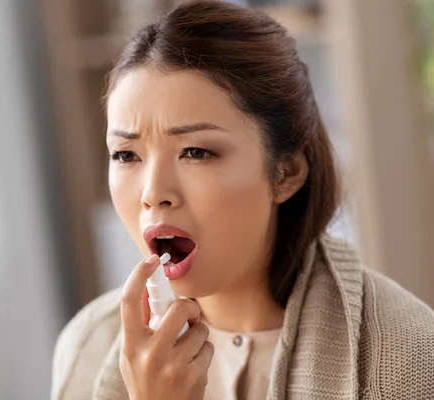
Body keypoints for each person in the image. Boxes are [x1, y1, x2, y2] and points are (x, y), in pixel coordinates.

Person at [51, 2, 434, 399]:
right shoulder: (86, 346)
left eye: (196, 151)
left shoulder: (406, 360)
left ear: (285, 173)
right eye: (126, 155)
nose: (153, 193)